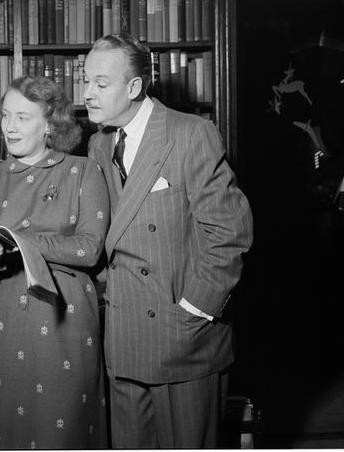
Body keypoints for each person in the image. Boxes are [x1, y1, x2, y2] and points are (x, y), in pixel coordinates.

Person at [83, 33, 253, 448]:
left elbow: (230, 234)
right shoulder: (99, 145)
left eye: (101, 83)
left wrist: (194, 311)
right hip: (124, 338)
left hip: (184, 340)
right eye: (85, 80)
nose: (87, 93)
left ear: (134, 87)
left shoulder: (190, 133)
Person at [0, 75, 110, 449]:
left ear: (49, 125)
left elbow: (90, 249)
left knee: (61, 430)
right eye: (6, 116)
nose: (9, 126)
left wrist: (18, 241)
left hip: (63, 321)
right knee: (1, 430)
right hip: (1, 324)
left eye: (23, 117)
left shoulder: (83, 171)